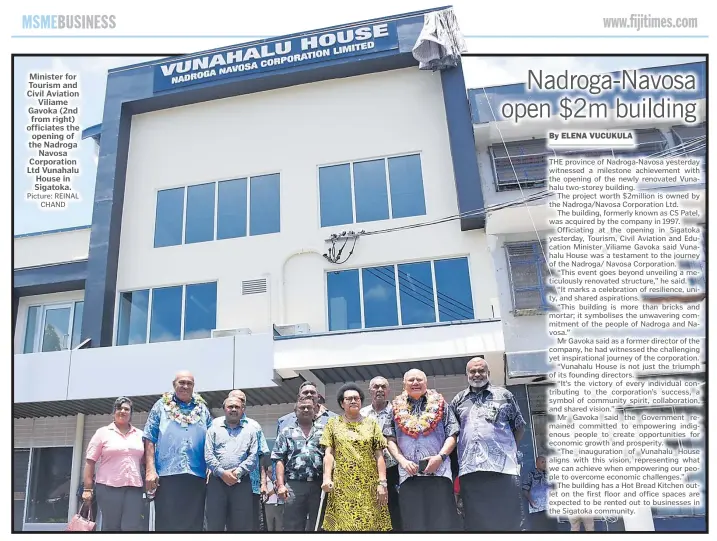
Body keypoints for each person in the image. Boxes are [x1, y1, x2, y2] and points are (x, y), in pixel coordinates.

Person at [451, 357, 526, 531]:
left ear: (488, 373)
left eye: (481, 371)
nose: (477, 374)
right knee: (475, 521)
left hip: (502, 470)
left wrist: (507, 450)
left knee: (509, 519)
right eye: (473, 371)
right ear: (467, 374)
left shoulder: (504, 395)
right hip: (471, 470)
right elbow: (454, 434)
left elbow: (519, 426)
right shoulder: (458, 400)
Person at [385, 369, 461, 531]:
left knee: (442, 525)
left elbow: (453, 434)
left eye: (419, 379)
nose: (415, 383)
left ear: (426, 383)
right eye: (411, 380)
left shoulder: (441, 404)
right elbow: (389, 439)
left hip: (438, 474)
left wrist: (440, 457)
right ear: (404, 384)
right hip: (409, 477)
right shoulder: (394, 408)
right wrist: (403, 461)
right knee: (413, 526)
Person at [143, 371, 212, 532]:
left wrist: (211, 467)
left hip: (197, 474)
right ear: (174, 384)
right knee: (167, 523)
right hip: (167, 474)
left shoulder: (202, 408)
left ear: (193, 387)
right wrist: (150, 470)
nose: (185, 386)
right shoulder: (161, 405)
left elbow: (211, 439)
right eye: (182, 382)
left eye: (189, 383)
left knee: (194, 524)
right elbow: (149, 438)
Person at [320, 383, 391, 531]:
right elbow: (329, 454)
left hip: (369, 486)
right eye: (349, 399)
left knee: (370, 526)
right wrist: (327, 478)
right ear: (341, 403)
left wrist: (382, 483)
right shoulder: (333, 424)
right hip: (342, 486)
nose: (353, 401)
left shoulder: (371, 424)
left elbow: (379, 455)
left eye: (356, 398)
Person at [82, 397, 145, 531]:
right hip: (108, 488)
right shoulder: (102, 433)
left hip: (134, 488)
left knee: (131, 527)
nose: (123, 411)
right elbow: (90, 461)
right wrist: (87, 489)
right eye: (119, 408)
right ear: (113, 412)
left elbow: (147, 460)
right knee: (111, 527)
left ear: (131, 413)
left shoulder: (140, 435)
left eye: (126, 409)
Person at [204, 393, 259, 531]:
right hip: (216, 483)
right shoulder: (213, 430)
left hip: (241, 484)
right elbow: (208, 455)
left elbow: (253, 457)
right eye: (230, 406)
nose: (234, 409)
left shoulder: (251, 431)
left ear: (243, 410)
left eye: (237, 407)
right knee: (214, 525)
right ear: (224, 409)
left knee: (241, 526)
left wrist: (237, 473)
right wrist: (222, 473)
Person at [272, 397, 324, 531]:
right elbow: (278, 459)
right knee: (292, 526)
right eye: (302, 407)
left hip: (318, 485)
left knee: (318, 525)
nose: (306, 410)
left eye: (309, 407)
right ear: (295, 411)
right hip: (294, 486)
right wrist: (281, 485)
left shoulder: (323, 431)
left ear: (315, 410)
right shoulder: (286, 432)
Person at [360, 376, 402, 531]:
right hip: (367, 470)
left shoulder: (398, 412)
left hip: (393, 469)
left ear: (388, 390)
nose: (380, 390)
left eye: (383, 387)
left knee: (394, 511)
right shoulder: (361, 414)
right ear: (370, 390)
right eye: (376, 387)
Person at [228, 389, 270, 532]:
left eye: (241, 401)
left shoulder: (254, 426)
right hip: (225, 484)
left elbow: (262, 456)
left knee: (251, 525)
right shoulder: (217, 425)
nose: (237, 404)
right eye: (234, 400)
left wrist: (263, 483)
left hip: (251, 485)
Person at [522, 456, 557, 531]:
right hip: (537, 509)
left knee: (553, 529)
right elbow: (525, 489)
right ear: (537, 464)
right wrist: (531, 501)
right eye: (542, 462)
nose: (545, 464)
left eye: (546, 462)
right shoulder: (531, 475)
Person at [264, 464, 284, 532]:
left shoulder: (281, 478)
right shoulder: (264, 478)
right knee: (269, 527)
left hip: (280, 504)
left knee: (280, 527)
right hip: (268, 505)